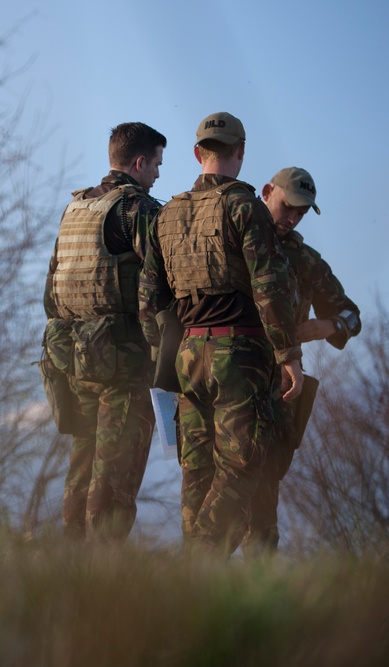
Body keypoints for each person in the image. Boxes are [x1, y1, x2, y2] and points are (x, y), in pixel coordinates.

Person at [138, 112, 303, 555]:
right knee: (246, 461)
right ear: (241, 152)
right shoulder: (245, 207)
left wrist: (169, 353)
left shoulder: (167, 213)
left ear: (197, 153)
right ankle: (201, 555)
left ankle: (198, 584)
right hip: (240, 353)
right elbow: (269, 287)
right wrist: (289, 357)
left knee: (197, 470)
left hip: (187, 355)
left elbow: (149, 301)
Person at [43, 122, 166, 541]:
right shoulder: (139, 209)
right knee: (116, 470)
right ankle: (103, 571)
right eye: (156, 165)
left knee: (83, 461)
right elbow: (158, 287)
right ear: (139, 162)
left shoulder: (75, 209)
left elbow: (52, 286)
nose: (157, 175)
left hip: (75, 356)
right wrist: (162, 353)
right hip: (124, 362)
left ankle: (72, 558)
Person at [243, 167, 362, 554]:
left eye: (301, 213)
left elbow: (352, 315)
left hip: (277, 392)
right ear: (266, 192)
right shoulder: (234, 238)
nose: (292, 218)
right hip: (226, 380)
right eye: (287, 207)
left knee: (263, 508)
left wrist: (329, 324)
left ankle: (256, 596)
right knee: (215, 504)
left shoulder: (304, 260)